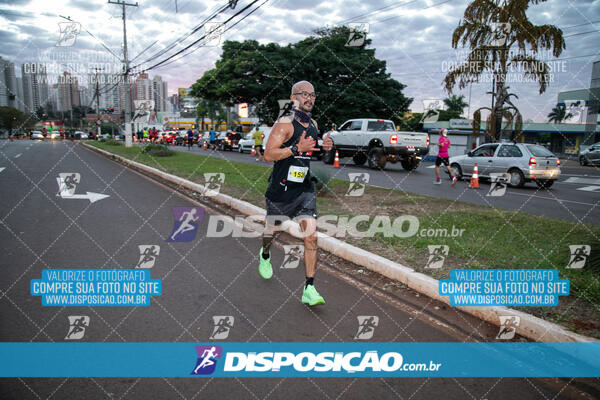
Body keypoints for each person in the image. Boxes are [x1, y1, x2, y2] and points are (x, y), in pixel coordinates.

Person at [258, 80, 333, 306]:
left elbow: (310, 151)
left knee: (311, 236)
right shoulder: (284, 123)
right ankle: (264, 254)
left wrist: (324, 146)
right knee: (272, 230)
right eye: (304, 94)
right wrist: (294, 149)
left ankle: (309, 288)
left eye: (312, 95)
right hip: (281, 190)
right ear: (293, 98)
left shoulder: (314, 123)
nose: (309, 98)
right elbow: (268, 155)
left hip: (304, 189)